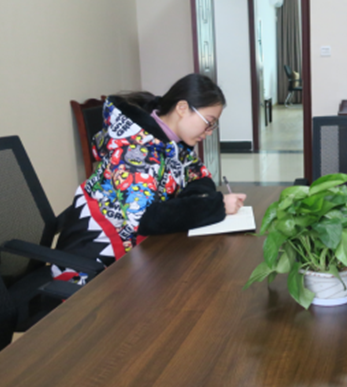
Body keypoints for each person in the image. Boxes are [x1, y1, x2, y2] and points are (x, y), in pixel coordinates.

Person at [55, 73, 247, 283]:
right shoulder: (134, 149)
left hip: (138, 249)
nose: (209, 132)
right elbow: (146, 219)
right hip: (93, 262)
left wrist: (193, 203)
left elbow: (197, 175)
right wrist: (215, 206)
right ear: (182, 108)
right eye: (208, 123)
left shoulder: (172, 141)